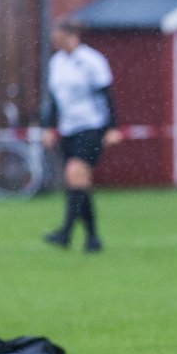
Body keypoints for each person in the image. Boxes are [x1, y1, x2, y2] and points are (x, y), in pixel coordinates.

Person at [40, 21, 123, 253]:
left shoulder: (92, 61)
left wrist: (112, 128)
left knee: (75, 173)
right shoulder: (56, 63)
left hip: (92, 126)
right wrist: (49, 127)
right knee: (80, 183)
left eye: (59, 37)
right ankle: (93, 238)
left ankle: (65, 232)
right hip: (69, 129)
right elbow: (55, 100)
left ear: (72, 35)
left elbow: (106, 96)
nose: (56, 42)